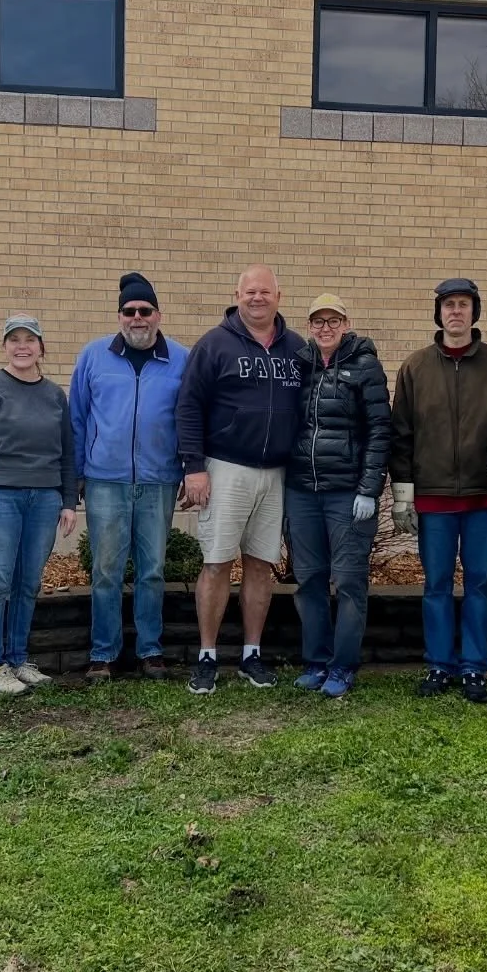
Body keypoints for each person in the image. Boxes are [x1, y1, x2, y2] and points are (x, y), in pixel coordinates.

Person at [389, 278, 487, 704]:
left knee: (482, 583)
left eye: (464, 304)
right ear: (439, 313)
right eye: (449, 305)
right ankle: (439, 664)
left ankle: (473, 667)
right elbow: (401, 436)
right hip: (434, 498)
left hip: (485, 498)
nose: (456, 312)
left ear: (474, 312)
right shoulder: (415, 368)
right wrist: (403, 496)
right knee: (437, 584)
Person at [175, 264, 305, 694]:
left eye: (265, 291)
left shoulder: (295, 349)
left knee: (261, 563)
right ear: (237, 294)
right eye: (250, 292)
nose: (257, 298)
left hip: (276, 473)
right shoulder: (214, 345)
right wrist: (193, 466)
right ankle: (207, 656)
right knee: (216, 562)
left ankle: (252, 653)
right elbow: (189, 406)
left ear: (278, 296)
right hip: (225, 468)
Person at [69, 273, 189, 682]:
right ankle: (103, 652)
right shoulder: (93, 356)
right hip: (106, 480)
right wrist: (78, 476)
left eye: (145, 310)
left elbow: (189, 420)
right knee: (106, 570)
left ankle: (150, 650)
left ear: (158, 314)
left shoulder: (181, 359)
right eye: (129, 311)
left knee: (153, 569)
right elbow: (78, 419)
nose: (137, 318)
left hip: (159, 481)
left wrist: (191, 469)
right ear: (119, 315)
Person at [0, 314, 78, 695]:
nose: (22, 346)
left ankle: (18, 659)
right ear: (5, 346)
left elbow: (68, 454)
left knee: (28, 583)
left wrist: (68, 500)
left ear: (42, 347)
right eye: (14, 339)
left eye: (30, 339)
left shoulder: (55, 395)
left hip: (44, 498)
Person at [285, 294, 391, 698]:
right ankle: (316, 660)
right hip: (302, 490)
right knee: (309, 580)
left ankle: (343, 666)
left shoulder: (365, 366)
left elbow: (380, 431)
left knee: (348, 581)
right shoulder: (300, 365)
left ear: (346, 324)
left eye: (333, 321)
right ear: (309, 327)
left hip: (347, 493)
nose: (325, 328)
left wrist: (369, 489)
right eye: (317, 321)